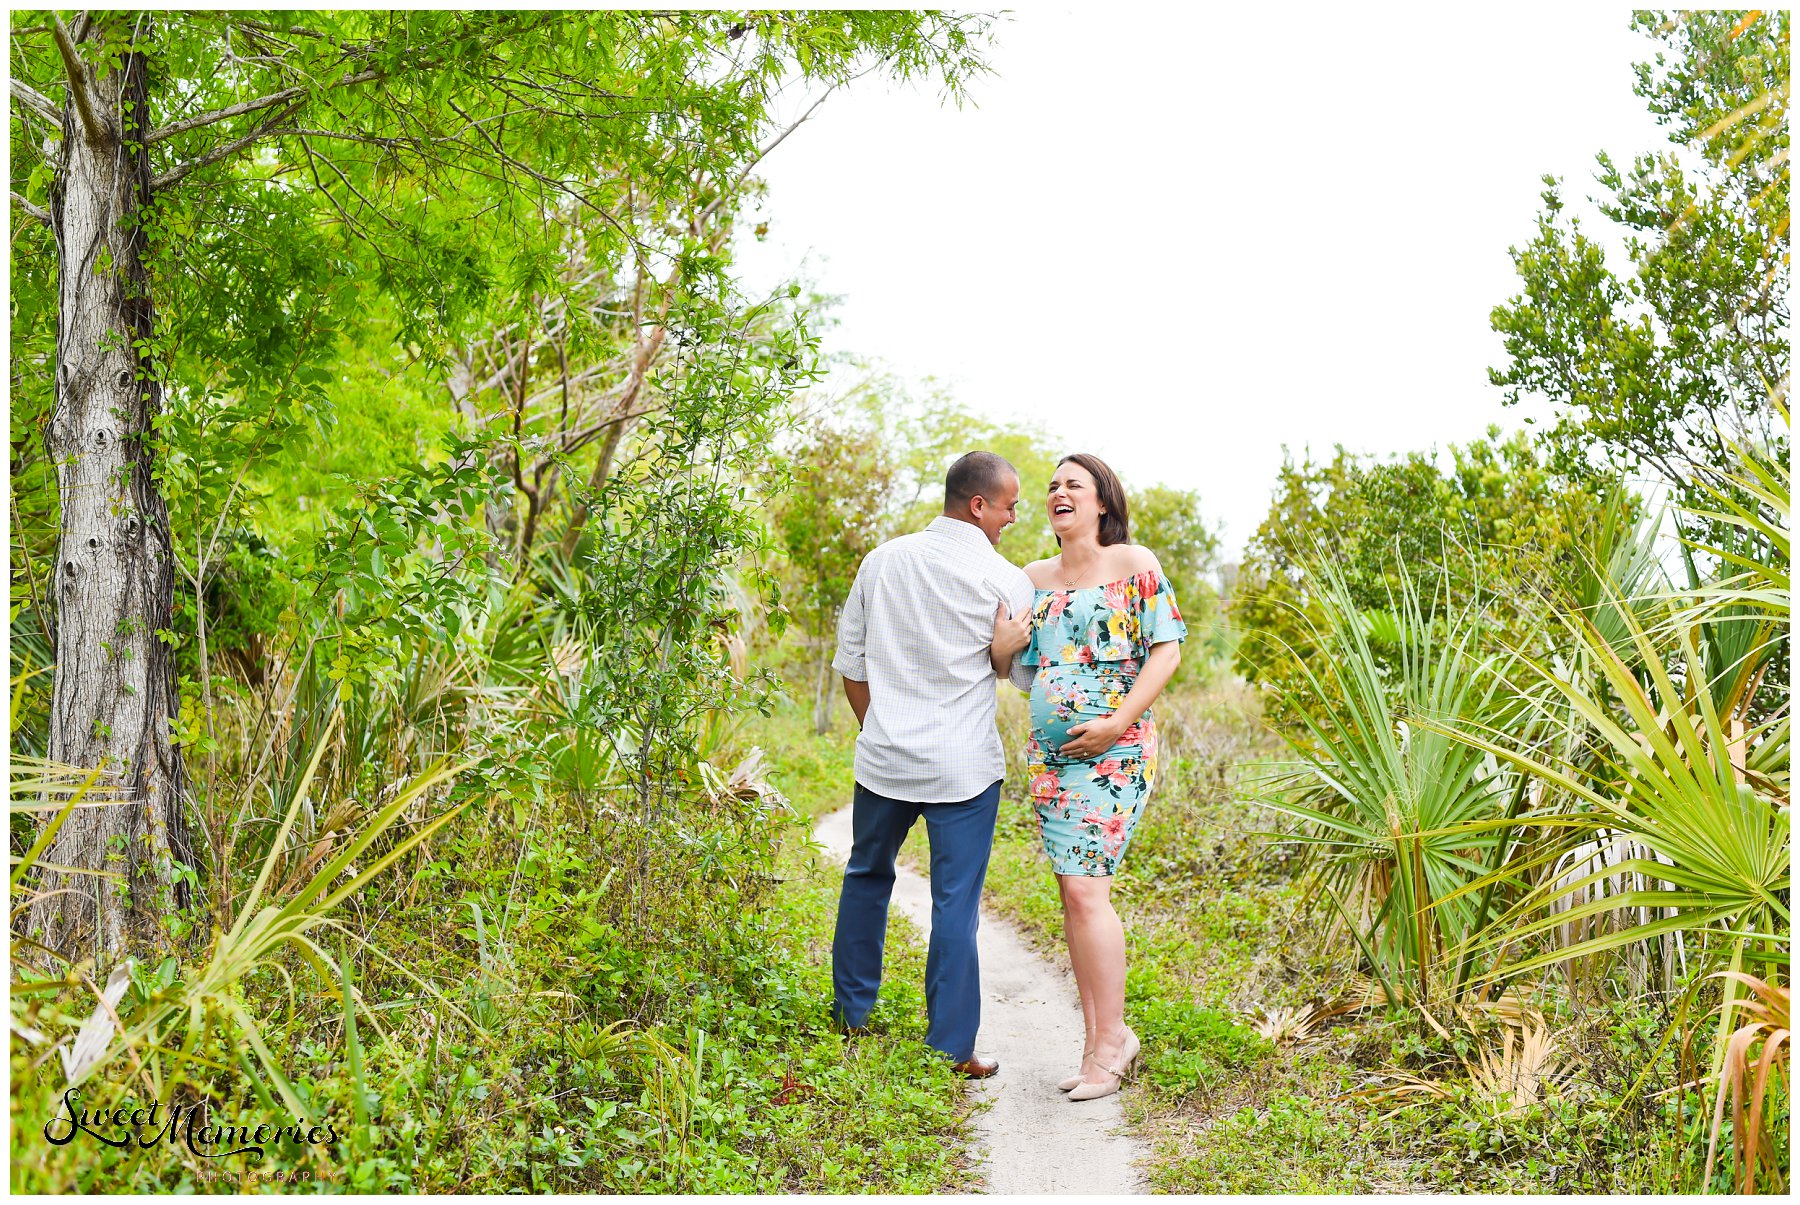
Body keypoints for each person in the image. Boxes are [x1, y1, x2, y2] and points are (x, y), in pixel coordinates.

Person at [830, 450, 1035, 1079]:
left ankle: (851, 1015)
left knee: (866, 876)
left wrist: (880, 728)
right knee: (955, 905)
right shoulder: (1008, 582)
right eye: (1008, 507)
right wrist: (1001, 656)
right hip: (964, 767)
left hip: (886, 759)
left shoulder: (882, 560)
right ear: (979, 505)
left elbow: (852, 665)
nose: (1012, 519)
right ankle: (952, 1047)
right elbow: (1024, 676)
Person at [1012, 452, 1186, 1101]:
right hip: (1052, 757)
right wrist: (1006, 636)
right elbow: (1012, 661)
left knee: (1088, 891)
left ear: (1102, 501)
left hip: (1118, 749)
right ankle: (1096, 1042)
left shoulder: (1134, 563)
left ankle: (1111, 1042)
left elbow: (1166, 649)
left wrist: (1117, 722)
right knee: (1071, 891)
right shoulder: (1032, 576)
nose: (1059, 492)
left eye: (1073, 484)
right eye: (1053, 485)